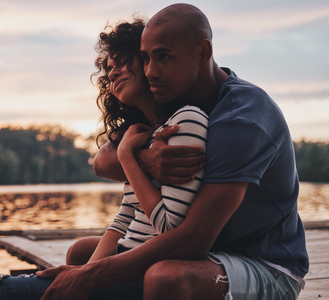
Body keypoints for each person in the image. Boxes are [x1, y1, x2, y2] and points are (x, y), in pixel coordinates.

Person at [35, 3, 308, 300]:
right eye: (145, 59)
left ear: (202, 52)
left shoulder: (241, 117)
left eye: (163, 57)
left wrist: (87, 277)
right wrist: (144, 158)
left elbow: (192, 241)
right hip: (213, 252)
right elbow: (102, 160)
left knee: (166, 278)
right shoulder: (178, 104)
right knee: (82, 250)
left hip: (265, 264)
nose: (151, 71)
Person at [0, 17, 207, 300]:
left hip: (143, 270)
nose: (112, 73)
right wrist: (81, 277)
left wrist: (127, 158)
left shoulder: (184, 122)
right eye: (108, 69)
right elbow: (123, 222)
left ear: (147, 63)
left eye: (122, 61)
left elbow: (169, 228)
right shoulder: (141, 134)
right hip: (121, 262)